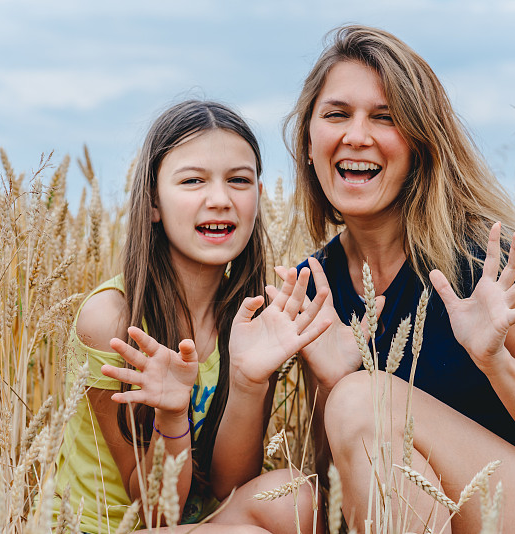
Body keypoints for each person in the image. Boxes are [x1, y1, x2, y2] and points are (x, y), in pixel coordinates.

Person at [282, 25, 515, 533]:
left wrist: (497, 363)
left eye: (386, 117)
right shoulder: (315, 288)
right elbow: (348, 484)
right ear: (309, 142)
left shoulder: (486, 263)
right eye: (337, 115)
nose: (357, 136)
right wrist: (332, 381)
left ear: (421, 144)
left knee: (362, 400)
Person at [54, 100, 330, 533]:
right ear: (152, 202)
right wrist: (170, 415)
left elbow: (227, 487)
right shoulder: (113, 318)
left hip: (196, 524)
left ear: (258, 196)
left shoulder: (251, 317)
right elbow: (154, 515)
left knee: (296, 497)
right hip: (106, 527)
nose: (220, 199)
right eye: (193, 180)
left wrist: (247, 382)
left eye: (239, 181)